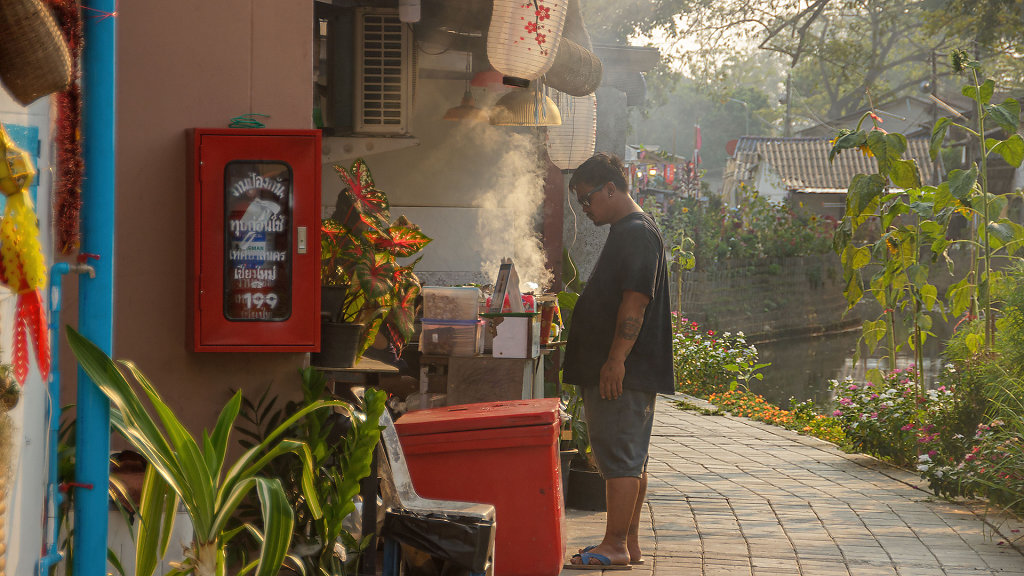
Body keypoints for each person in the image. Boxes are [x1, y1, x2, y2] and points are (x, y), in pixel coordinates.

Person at [563, 153, 674, 569]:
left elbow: (635, 300)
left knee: (619, 458)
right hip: (624, 368)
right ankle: (627, 540)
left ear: (611, 188)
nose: (585, 208)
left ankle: (614, 546)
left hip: (622, 371)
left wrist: (615, 360)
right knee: (630, 456)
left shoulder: (636, 233)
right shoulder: (630, 230)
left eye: (587, 199)